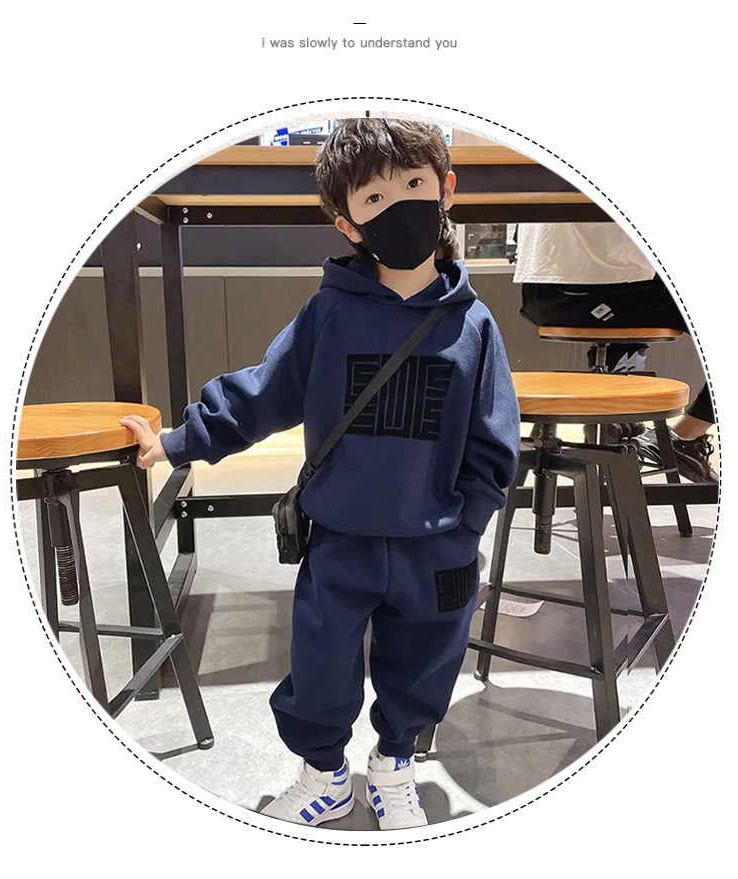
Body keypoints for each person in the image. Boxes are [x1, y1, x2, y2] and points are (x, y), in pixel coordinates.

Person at [120, 119, 520, 830]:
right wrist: (179, 443)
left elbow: (494, 437)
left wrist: (468, 521)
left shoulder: (475, 326)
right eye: (375, 198)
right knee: (319, 665)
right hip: (341, 537)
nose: (399, 204)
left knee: (426, 664)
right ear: (348, 223)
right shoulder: (330, 313)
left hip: (438, 544)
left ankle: (394, 766)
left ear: (445, 189)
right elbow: (262, 392)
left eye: (415, 184)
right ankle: (325, 776)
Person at [513, 223, 717, 482]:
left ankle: (618, 409)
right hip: (621, 293)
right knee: (632, 272)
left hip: (542, 296)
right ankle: (685, 435)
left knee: (626, 265)